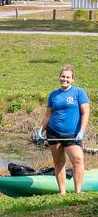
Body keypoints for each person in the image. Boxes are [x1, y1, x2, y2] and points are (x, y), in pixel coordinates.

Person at [41, 65, 90, 194]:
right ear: (59, 77)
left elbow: (85, 113)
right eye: (63, 76)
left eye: (68, 77)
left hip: (72, 134)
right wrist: (40, 130)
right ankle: (62, 192)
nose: (65, 79)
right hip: (53, 132)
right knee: (58, 162)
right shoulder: (53, 95)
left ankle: (78, 192)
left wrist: (81, 131)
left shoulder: (79, 93)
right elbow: (48, 114)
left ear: (72, 79)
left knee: (78, 160)